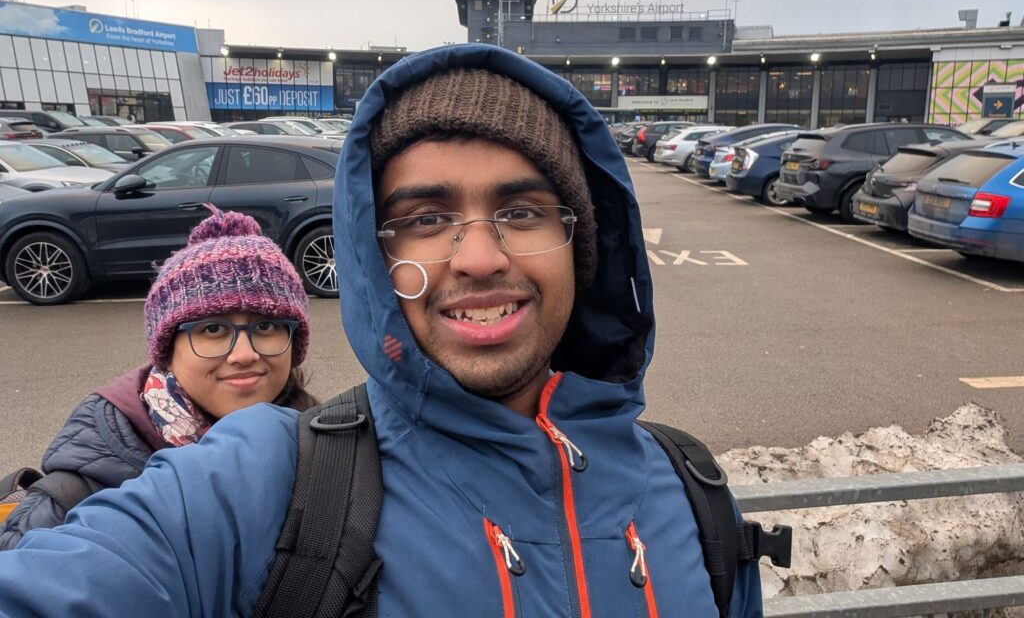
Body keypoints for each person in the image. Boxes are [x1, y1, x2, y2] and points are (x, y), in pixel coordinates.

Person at [0, 44, 763, 616]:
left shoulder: (692, 495)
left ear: (583, 247)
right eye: (426, 219)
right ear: (374, 253)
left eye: (523, 212)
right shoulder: (272, 482)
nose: (478, 257)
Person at [0, 205, 316, 550]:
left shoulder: (325, 441)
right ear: (167, 350)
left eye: (266, 325)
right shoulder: (82, 496)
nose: (244, 354)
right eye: (212, 329)